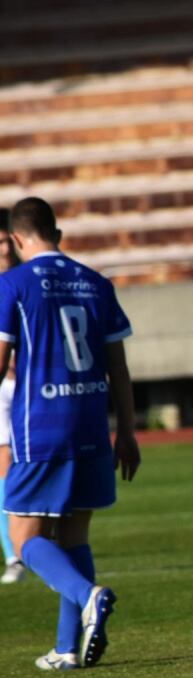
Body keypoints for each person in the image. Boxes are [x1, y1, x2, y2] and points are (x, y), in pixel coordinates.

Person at [0, 197, 140, 670]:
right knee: (74, 535)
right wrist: (127, 432)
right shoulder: (96, 283)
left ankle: (88, 595)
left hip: (41, 428)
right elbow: (119, 369)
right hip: (92, 424)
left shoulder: (12, 284)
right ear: (56, 234)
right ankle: (66, 649)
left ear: (17, 238)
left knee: (24, 539)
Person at [0, 209, 24, 585]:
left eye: (6, 241)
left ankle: (37, 541)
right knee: (3, 461)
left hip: (32, 381)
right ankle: (14, 555)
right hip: (3, 383)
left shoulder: (26, 279)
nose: (3, 248)